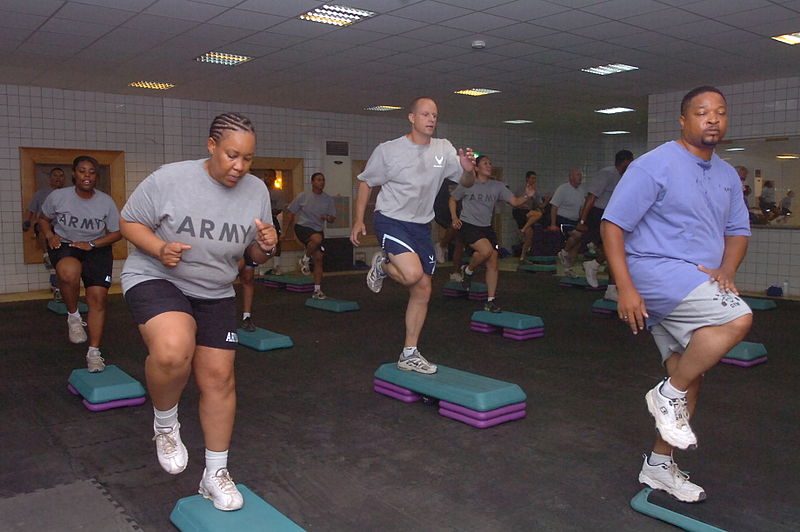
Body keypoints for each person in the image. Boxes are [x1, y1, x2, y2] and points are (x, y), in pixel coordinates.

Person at [601, 86, 752, 503]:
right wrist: (626, 288)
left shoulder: (725, 174)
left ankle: (659, 465)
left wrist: (727, 269)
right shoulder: (655, 165)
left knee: (689, 373)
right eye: (703, 112)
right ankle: (665, 395)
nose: (713, 119)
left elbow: (738, 230)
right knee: (738, 318)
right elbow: (613, 225)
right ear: (683, 120)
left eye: (720, 112)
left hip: (696, 278)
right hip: (656, 270)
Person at [119, 112, 277, 512]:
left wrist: (267, 245)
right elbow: (129, 221)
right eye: (231, 155)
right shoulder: (170, 178)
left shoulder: (256, 190)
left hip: (215, 288)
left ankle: (215, 473)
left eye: (248, 159)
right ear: (211, 146)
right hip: (158, 275)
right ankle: (166, 423)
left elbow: (251, 255)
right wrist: (158, 248)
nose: (239, 166)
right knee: (174, 349)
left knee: (219, 378)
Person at [351, 96, 476, 374]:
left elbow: (465, 181)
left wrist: (468, 170)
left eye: (434, 115)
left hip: (421, 225)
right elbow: (365, 182)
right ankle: (382, 265)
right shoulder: (389, 150)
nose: (431, 119)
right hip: (391, 219)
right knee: (410, 275)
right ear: (412, 118)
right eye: (425, 114)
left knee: (423, 288)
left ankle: (409, 353)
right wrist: (359, 220)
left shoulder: (443, 149)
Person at [39, 157, 121, 372]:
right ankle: (74, 316)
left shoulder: (106, 202)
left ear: (96, 176)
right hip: (66, 245)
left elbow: (116, 232)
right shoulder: (58, 197)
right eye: (82, 171)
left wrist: (92, 244)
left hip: (96, 248)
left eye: (92, 172)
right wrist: (49, 236)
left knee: (98, 299)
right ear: (74, 174)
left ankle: (94, 352)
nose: (87, 175)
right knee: (69, 272)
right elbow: (43, 218)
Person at [450, 155, 533, 312]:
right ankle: (467, 271)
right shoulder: (468, 183)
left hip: (486, 227)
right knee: (487, 251)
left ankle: (489, 299)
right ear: (476, 168)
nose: (489, 166)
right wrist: (454, 217)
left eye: (490, 163)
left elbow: (515, 202)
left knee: (492, 259)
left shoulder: (498, 186)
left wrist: (527, 195)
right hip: (468, 225)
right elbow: (453, 199)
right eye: (485, 163)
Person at [579, 150, 635, 299]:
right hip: (599, 214)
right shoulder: (606, 174)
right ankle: (596, 268)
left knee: (616, 251)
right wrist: (582, 221)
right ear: (623, 162)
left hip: (614, 216)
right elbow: (591, 198)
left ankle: (601, 275)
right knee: (614, 250)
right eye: (629, 163)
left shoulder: (627, 177)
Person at [238, 169, 285, 332]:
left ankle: (246, 316)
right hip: (231, 241)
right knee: (228, 275)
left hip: (251, 240)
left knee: (248, 278)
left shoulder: (258, 193)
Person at [282, 172, 336, 300]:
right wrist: (285, 232)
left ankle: (317, 290)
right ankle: (305, 260)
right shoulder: (303, 196)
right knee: (317, 239)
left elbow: (332, 218)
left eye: (323, 180)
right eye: (318, 180)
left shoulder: (328, 199)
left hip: (317, 230)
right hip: (302, 227)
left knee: (318, 258)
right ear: (312, 182)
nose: (321, 182)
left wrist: (327, 217)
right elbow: (291, 213)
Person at [24, 167, 66, 299]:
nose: (58, 178)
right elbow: (31, 210)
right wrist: (27, 222)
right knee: (42, 228)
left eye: (61, 176)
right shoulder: (41, 194)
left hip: (62, 228)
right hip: (45, 226)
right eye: (55, 175)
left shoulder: (69, 194)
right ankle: (47, 255)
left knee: (61, 258)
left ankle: (58, 284)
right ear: (50, 178)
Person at [546, 169, 586, 276]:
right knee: (577, 235)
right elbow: (554, 207)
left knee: (577, 244)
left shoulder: (581, 191)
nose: (580, 177)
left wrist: (581, 222)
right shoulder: (562, 189)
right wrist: (553, 224)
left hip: (574, 220)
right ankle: (564, 252)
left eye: (580, 175)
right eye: (578, 175)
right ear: (571, 177)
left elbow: (582, 209)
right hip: (562, 219)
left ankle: (568, 269)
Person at [432, 179, 466, 281]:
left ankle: (456, 272)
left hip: (458, 208)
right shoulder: (443, 176)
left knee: (460, 240)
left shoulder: (465, 177)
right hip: (442, 208)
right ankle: (442, 244)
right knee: (456, 228)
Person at [512, 171, 543, 262]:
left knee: (529, 235)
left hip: (529, 212)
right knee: (538, 214)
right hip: (520, 211)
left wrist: (545, 202)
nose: (534, 180)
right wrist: (520, 204)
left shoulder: (535, 191)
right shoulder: (520, 189)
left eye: (535, 178)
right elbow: (514, 201)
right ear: (527, 179)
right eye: (532, 178)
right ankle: (523, 229)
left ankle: (523, 256)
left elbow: (538, 205)